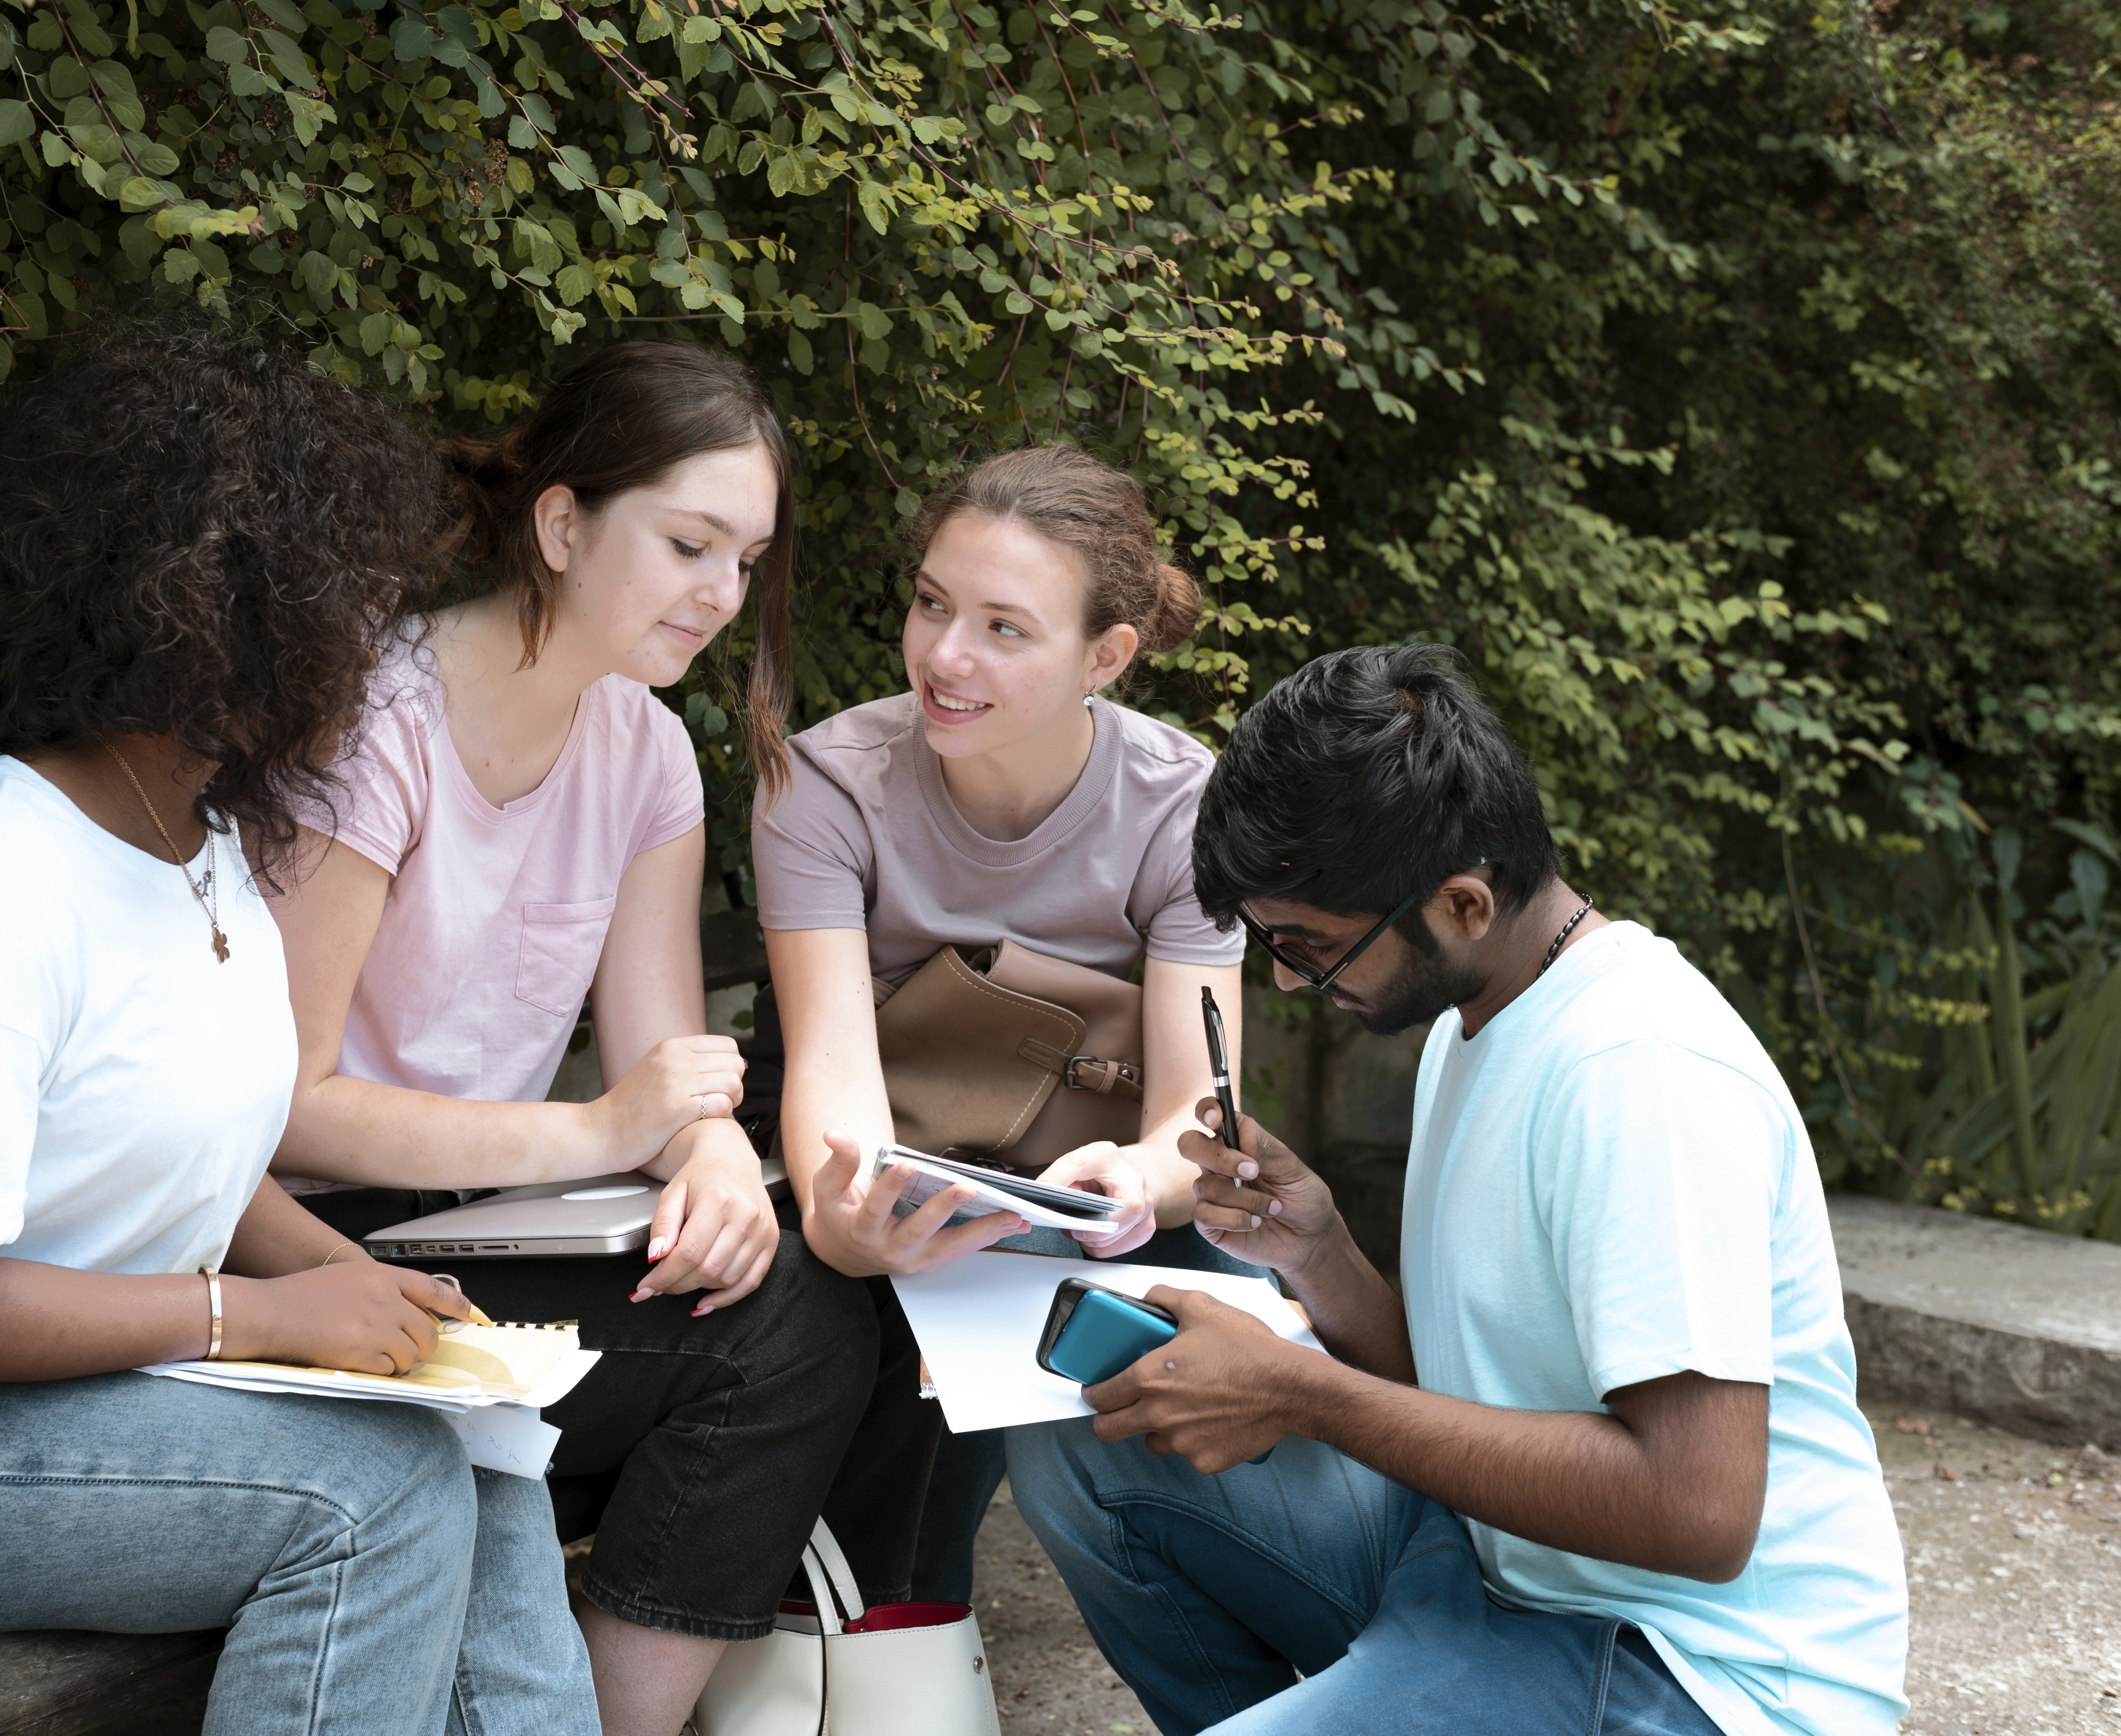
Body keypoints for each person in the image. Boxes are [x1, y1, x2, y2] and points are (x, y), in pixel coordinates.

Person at [0, 314, 599, 1736]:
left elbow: (188, 1155)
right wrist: (258, 1316)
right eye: (357, 614)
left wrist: (398, 1314)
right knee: (373, 1498)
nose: (383, 662)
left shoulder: (198, 842)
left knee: (479, 1449)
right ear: (228, 611)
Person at [1007, 643, 1910, 1736]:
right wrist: (1322, 1255)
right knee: (1088, 1436)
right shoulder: (1479, 1022)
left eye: (1315, 946)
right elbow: (1475, 1394)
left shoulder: (1639, 1072)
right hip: (1501, 1579)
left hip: (1694, 1671)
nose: (1292, 978)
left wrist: (1301, 1391)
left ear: (1465, 902)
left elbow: (1698, 1508)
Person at [264, 341, 881, 1736]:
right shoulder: (376, 722)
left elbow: (661, 1058)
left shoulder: (647, 756)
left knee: (795, 1315)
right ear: (558, 525)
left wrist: (712, 1157)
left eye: (744, 558)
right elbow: (282, 1102)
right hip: (300, 1244)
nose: (720, 595)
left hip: (482, 1232)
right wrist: (604, 1131)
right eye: (687, 544)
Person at [748, 443, 1254, 1602]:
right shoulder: (828, 787)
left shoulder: (1182, 810)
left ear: (1107, 657)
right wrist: (850, 1226)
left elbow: (1203, 1112)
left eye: (1004, 629)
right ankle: (891, 1639)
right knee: (886, 1405)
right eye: (932, 605)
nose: (945, 656)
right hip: (887, 1166)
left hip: (1089, 1198)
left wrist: (1139, 1177)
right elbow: (829, 1076)